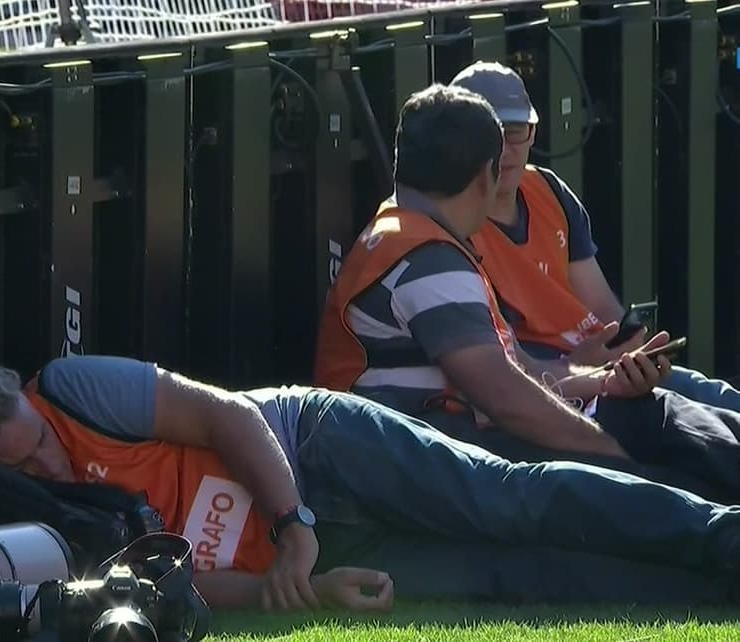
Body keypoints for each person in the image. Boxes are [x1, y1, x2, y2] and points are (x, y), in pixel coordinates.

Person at [0, 353, 740, 611]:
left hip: (315, 445)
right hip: (310, 553)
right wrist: (299, 587)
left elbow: (225, 416)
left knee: (504, 498)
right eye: (24, 468)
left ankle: (721, 536)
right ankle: (708, 592)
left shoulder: (71, 386)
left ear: (34, 407)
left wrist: (293, 526)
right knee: (502, 575)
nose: (49, 465)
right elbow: (165, 588)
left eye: (42, 445)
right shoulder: (38, 522)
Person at [312, 84, 740, 503]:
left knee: (657, 414)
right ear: (487, 175)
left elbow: (522, 373)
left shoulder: (409, 236)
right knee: (662, 451)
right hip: (434, 459)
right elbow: (505, 400)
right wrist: (612, 454)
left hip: (434, 448)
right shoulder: (429, 261)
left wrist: (604, 383)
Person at [448, 60, 740, 413]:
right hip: (554, 389)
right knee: (690, 417)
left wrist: (629, 346)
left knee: (710, 394)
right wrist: (578, 366)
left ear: (533, 133)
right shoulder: (451, 223)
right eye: (488, 136)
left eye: (514, 131)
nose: (503, 150)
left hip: (602, 366)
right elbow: (508, 367)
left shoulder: (550, 191)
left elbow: (601, 304)